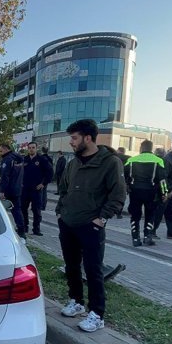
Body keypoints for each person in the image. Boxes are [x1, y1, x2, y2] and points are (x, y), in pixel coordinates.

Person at [56, 119, 125, 333]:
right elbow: (64, 189)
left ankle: (97, 314)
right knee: (71, 266)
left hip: (90, 226)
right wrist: (61, 211)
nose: (71, 142)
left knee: (93, 270)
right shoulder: (73, 163)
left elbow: (118, 195)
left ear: (88, 138)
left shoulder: (110, 162)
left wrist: (101, 219)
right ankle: (76, 301)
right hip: (68, 223)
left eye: (74, 138)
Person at [123, 140, 167, 246]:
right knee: (150, 214)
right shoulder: (158, 160)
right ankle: (147, 236)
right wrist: (164, 193)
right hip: (151, 191)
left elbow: (124, 176)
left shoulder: (131, 160)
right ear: (151, 148)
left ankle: (135, 238)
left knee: (135, 214)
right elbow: (162, 179)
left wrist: (127, 186)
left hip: (135, 191)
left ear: (141, 148)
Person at [21, 142, 54, 236]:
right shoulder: (25, 159)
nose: (31, 149)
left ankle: (36, 229)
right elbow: (19, 172)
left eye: (33, 147)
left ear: (36, 148)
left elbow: (50, 172)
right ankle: (24, 227)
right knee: (23, 209)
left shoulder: (42, 159)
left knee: (36, 210)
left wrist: (43, 183)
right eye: (30, 148)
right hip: (25, 189)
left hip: (36, 189)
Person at [0, 143, 26, 238]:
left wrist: (2, 191)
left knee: (0, 209)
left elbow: (5, 177)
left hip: (9, 189)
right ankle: (21, 230)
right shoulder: (19, 158)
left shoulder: (7, 160)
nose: (0, 153)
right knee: (17, 210)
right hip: (18, 188)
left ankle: (1, 229)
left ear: (6, 149)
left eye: (1, 151)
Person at [40, 146, 53, 211]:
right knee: (44, 192)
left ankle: (40, 205)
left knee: (40, 192)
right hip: (47, 177)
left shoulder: (41, 158)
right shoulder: (50, 158)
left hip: (41, 177)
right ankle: (43, 206)